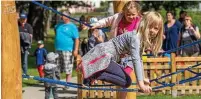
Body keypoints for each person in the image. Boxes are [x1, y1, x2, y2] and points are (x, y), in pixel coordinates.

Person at [78, 11, 164, 93]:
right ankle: (93, 73)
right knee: (127, 82)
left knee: (126, 82)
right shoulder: (135, 38)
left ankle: (91, 75)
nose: (152, 30)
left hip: (107, 56)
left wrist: (143, 78)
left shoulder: (140, 39)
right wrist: (141, 84)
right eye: (150, 26)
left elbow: (140, 59)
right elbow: (136, 60)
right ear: (144, 24)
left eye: (156, 28)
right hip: (105, 55)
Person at [54, 11, 79, 89]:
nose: (62, 17)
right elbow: (56, 32)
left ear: (68, 17)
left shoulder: (72, 27)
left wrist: (75, 50)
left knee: (68, 67)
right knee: (56, 66)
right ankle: (55, 82)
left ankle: (67, 84)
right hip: (58, 49)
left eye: (63, 16)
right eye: (62, 15)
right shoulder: (58, 25)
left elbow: (77, 39)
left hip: (68, 50)